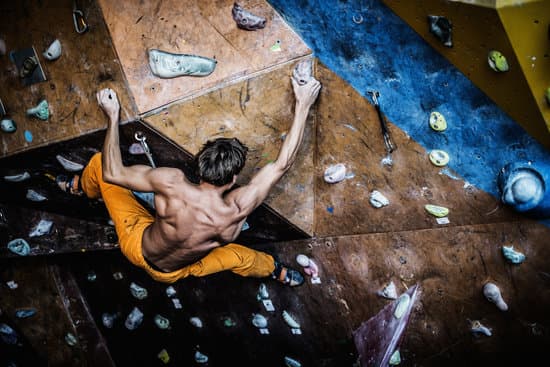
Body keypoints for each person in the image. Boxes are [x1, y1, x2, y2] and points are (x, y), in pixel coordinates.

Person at [58, 74, 321, 285]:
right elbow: (282, 164)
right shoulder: (237, 209)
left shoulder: (172, 183)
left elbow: (112, 172)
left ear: (200, 165)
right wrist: (303, 104)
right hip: (183, 269)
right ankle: (277, 272)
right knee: (241, 257)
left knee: (96, 165)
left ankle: (81, 187)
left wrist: (112, 115)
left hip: (138, 248)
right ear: (234, 178)